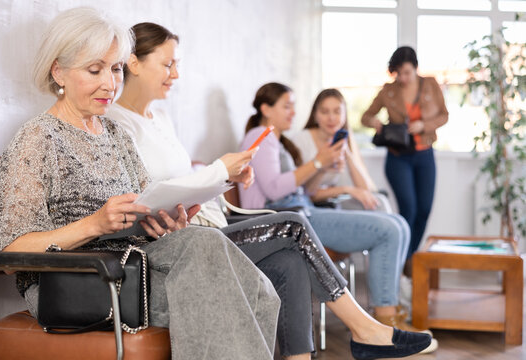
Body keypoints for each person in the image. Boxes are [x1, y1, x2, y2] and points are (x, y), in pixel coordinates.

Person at [106, 22, 433, 359]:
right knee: (293, 224)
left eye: (177, 65)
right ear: (133, 62)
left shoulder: (160, 117)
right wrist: (219, 171)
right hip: (179, 243)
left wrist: (225, 179)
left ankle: (317, 351)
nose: (175, 74)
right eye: (167, 64)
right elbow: (143, 194)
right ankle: (366, 330)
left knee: (291, 261)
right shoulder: (116, 122)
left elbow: (181, 184)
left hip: (204, 227)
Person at [0, 8, 281, 360]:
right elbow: (12, 253)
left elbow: (145, 204)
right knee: (222, 285)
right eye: (94, 70)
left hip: (134, 265)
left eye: (115, 69)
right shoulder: (37, 138)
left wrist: (163, 222)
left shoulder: (116, 135)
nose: (110, 84)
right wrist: (94, 223)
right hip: (76, 281)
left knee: (245, 276)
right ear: (58, 71)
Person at [239, 82, 438, 346]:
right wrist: (319, 162)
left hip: (302, 211)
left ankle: (388, 317)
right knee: (388, 229)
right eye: (286, 106)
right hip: (289, 219)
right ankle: (384, 324)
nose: (293, 112)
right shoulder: (259, 135)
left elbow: (294, 187)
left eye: (293, 106)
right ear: (266, 108)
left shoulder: (274, 139)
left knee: (398, 223)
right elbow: (275, 189)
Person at [361, 46, 448, 275]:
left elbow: (444, 115)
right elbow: (366, 116)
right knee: (407, 208)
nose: (403, 78)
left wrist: (424, 125)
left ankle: (408, 257)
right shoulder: (388, 90)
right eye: (399, 73)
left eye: (407, 72)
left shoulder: (429, 84)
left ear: (416, 68)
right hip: (398, 156)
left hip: (424, 154)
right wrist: (376, 123)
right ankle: (401, 261)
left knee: (424, 208)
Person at [292, 88, 392, 213]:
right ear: (315, 115)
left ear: (345, 115)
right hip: (310, 207)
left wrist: (346, 152)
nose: (331, 118)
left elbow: (365, 189)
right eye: (324, 112)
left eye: (337, 112)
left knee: (379, 202)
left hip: (330, 203)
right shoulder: (301, 141)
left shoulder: (345, 140)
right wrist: (346, 189)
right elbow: (305, 192)